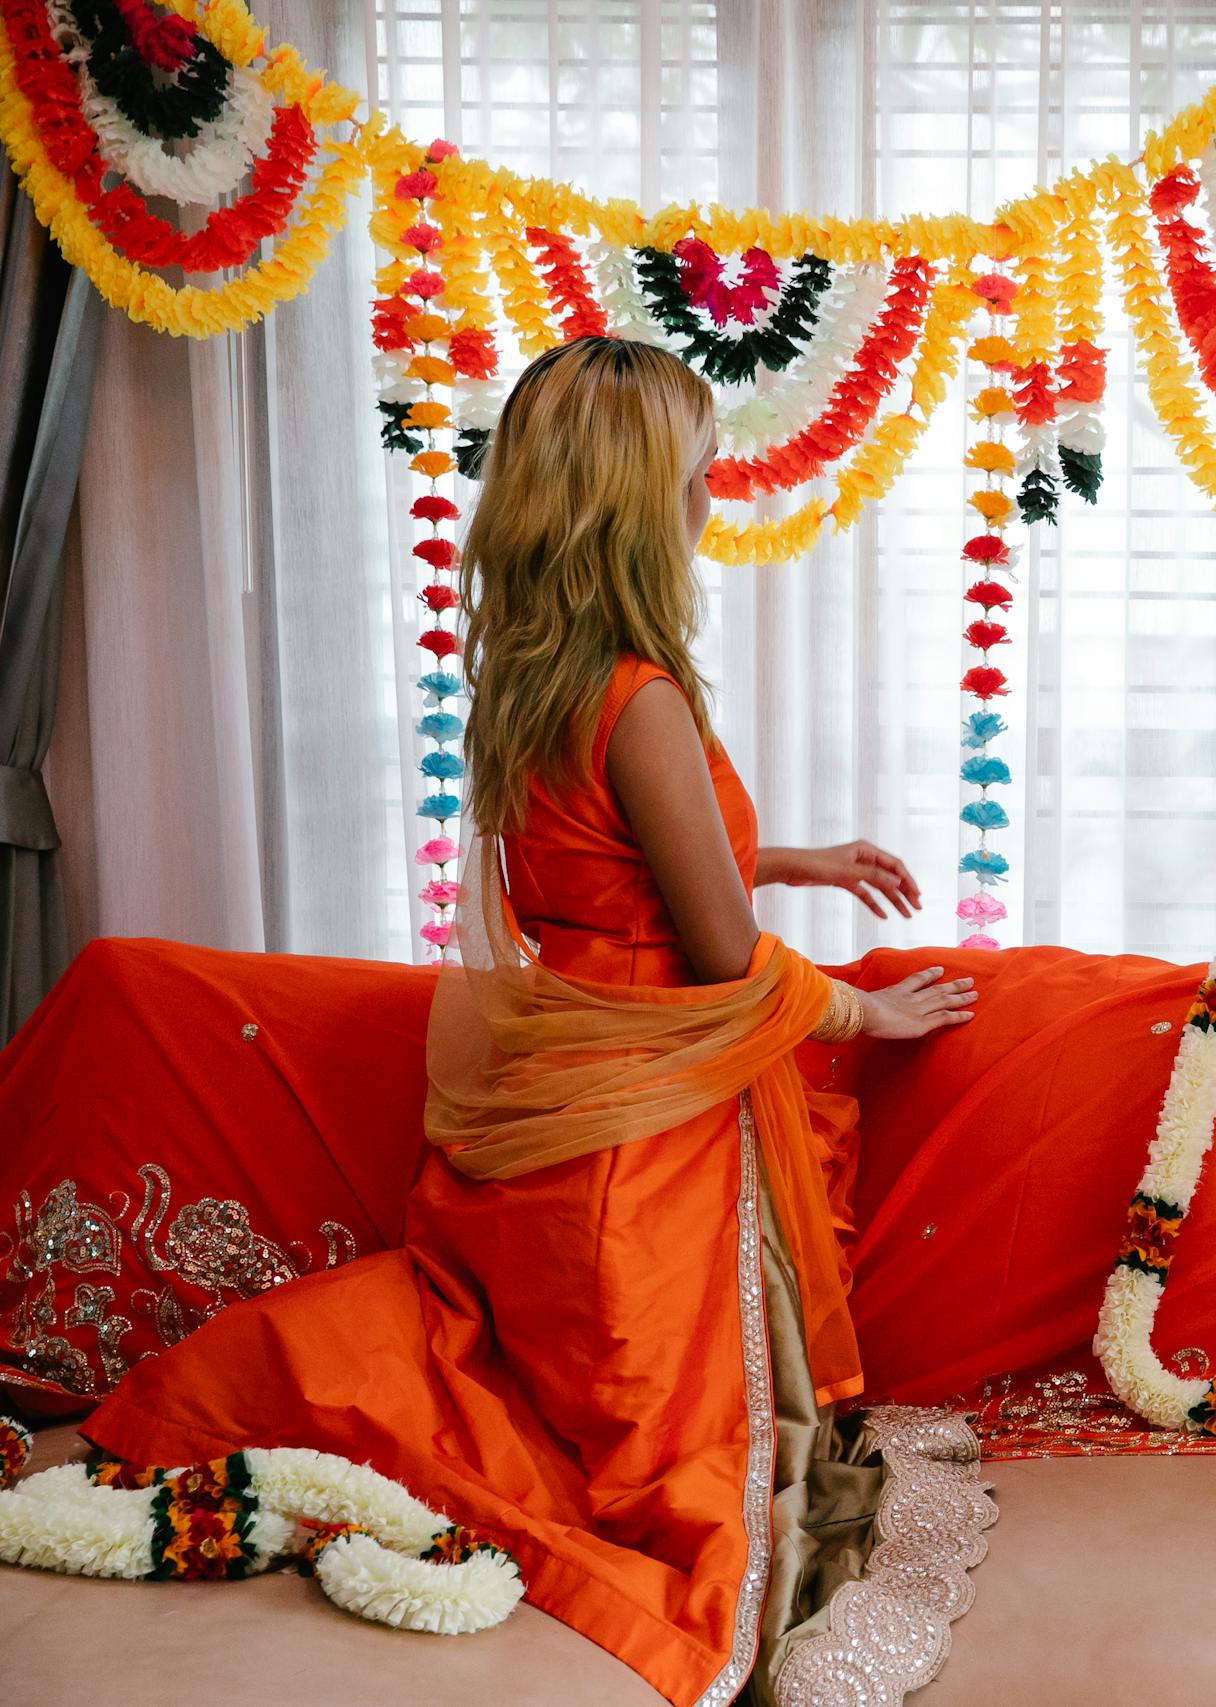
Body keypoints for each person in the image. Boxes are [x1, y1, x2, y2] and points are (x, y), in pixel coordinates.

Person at [70, 337, 975, 1704]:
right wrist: (864, 1003)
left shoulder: (538, 684)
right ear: (637, 503)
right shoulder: (647, 697)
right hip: (643, 1104)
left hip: (570, 1080)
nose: (711, 498)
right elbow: (720, 951)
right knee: (634, 1440)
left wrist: (793, 856)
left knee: (499, 1354)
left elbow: (615, 869)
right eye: (696, 474)